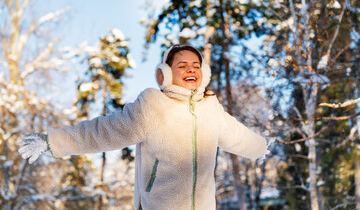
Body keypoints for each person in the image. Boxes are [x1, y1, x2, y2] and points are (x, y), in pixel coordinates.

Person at [18, 44, 273, 210]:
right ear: (166, 73)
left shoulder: (211, 108)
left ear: (204, 74)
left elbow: (238, 136)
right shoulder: (153, 105)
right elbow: (103, 131)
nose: (190, 69)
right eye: (182, 65)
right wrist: (55, 141)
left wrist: (261, 147)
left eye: (196, 66)